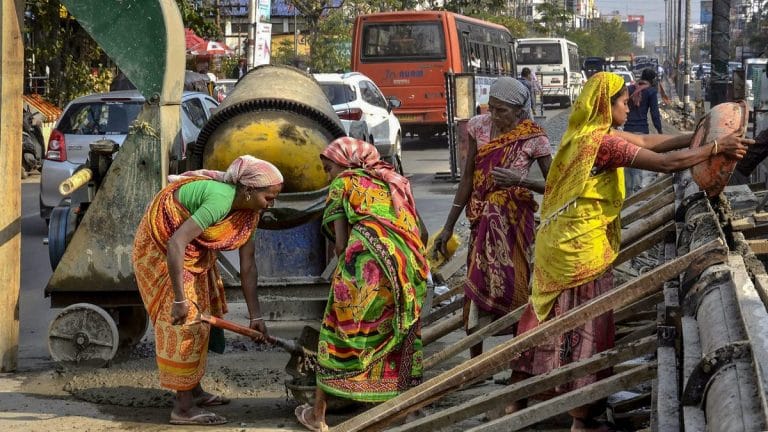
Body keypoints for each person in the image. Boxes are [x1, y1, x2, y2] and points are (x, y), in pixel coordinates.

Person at [510, 72, 752, 431]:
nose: (629, 106)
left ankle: (518, 399)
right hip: (580, 248)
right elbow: (664, 163)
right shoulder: (603, 144)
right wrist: (715, 148)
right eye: (623, 102)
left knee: (546, 316)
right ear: (605, 107)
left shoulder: (588, 136)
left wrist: (696, 137)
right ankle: (580, 417)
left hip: (561, 244)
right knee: (585, 321)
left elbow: (643, 140)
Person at [132, 156, 283, 426]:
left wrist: (256, 317)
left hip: (190, 251)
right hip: (163, 249)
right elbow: (176, 242)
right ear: (248, 190)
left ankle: (195, 391)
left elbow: (248, 267)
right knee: (187, 322)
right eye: (268, 198)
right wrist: (179, 299)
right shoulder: (220, 200)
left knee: (203, 314)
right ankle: (183, 407)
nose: (272, 204)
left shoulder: (250, 212)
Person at [294, 138, 429, 432]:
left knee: (338, 333)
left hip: (366, 265)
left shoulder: (343, 183)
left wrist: (342, 273)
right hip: (407, 267)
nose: (328, 175)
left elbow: (340, 244)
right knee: (401, 332)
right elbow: (420, 229)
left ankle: (318, 416)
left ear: (346, 163)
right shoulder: (393, 180)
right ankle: (411, 409)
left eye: (328, 168)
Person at [434, 77, 552, 360]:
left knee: (516, 286)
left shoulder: (534, 138)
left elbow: (555, 184)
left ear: (520, 110)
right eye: (492, 109)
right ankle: (476, 360)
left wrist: (519, 180)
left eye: (502, 111)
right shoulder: (479, 126)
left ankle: (518, 357)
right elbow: (468, 177)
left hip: (515, 224)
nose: (495, 116)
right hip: (481, 219)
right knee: (476, 284)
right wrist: (448, 226)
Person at [623, 68, 663, 195]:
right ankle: (636, 192)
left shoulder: (629, 89)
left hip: (627, 131)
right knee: (638, 161)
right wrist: (659, 130)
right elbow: (655, 114)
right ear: (652, 80)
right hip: (641, 133)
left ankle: (628, 192)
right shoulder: (651, 92)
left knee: (628, 161)